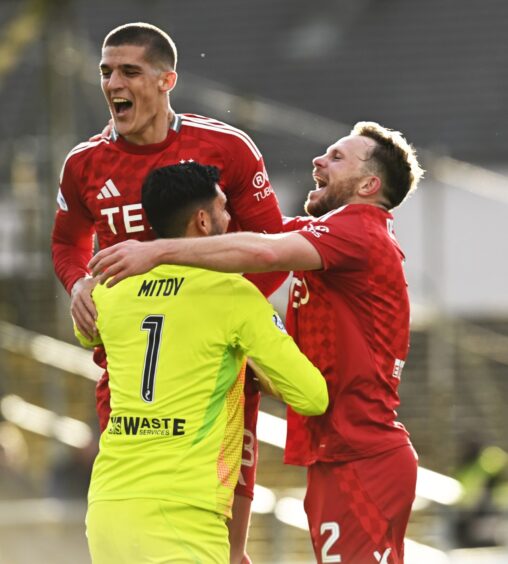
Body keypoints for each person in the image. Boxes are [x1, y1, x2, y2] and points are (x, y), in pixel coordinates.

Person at [90, 121, 424, 563]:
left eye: (337, 157)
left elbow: (263, 252)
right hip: (341, 450)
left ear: (368, 184)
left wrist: (157, 250)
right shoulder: (332, 231)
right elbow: (241, 238)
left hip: (361, 452)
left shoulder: (359, 229)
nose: (318, 161)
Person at [51, 22, 285, 562]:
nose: (114, 83)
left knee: (227, 546)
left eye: (130, 71)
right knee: (130, 521)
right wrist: (77, 281)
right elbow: (66, 241)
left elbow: (272, 249)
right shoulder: (83, 163)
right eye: (106, 72)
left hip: (215, 372)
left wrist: (216, 319)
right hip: (133, 369)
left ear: (166, 80)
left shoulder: (225, 148)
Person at [75, 162, 328, 564]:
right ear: (203, 221)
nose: (231, 218)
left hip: (108, 508)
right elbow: (313, 396)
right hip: (186, 516)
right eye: (224, 208)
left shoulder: (109, 294)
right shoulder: (233, 295)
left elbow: (87, 333)